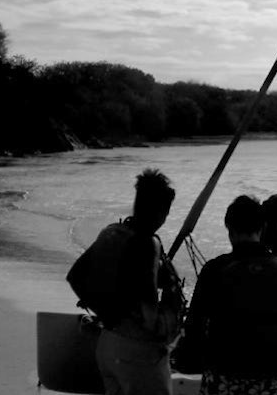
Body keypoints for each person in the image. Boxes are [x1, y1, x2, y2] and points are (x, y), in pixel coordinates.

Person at [67, 168, 183, 395]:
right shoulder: (148, 243)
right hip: (137, 355)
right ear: (162, 211)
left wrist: (107, 312)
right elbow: (149, 316)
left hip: (107, 344)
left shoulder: (112, 232)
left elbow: (76, 276)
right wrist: (172, 301)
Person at [179, 195, 277, 395]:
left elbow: (194, 326)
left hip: (225, 377)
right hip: (273, 379)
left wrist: (189, 362)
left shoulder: (214, 269)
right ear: (262, 229)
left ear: (229, 231)